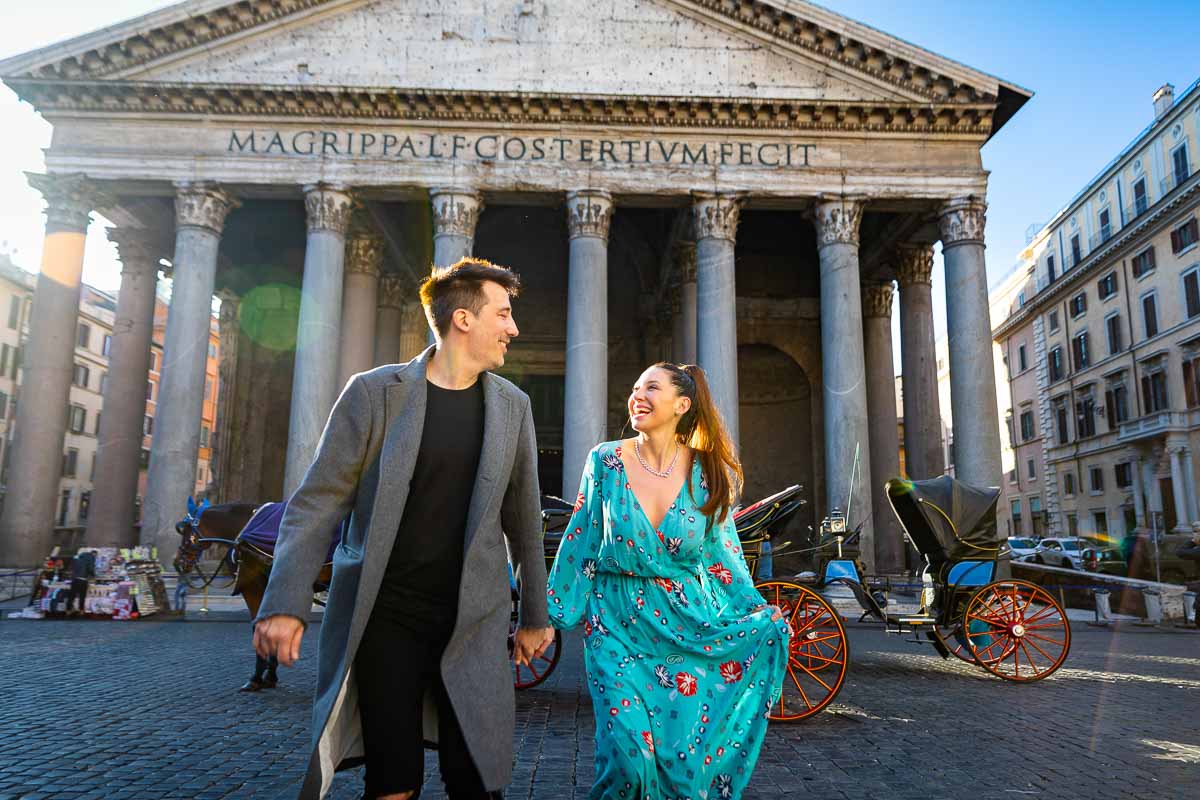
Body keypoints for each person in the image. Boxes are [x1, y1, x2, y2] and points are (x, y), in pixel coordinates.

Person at [253, 258, 554, 800]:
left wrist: (535, 616)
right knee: (392, 779)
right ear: (464, 319)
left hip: (474, 617)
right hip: (384, 615)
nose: (513, 328)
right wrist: (284, 602)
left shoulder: (514, 406)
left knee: (478, 777)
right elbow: (317, 502)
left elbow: (523, 522)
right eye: (504, 315)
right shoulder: (373, 393)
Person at [547, 362, 790, 799]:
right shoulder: (605, 460)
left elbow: (724, 558)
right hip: (614, 624)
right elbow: (580, 537)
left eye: (651, 387)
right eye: (635, 386)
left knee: (679, 763)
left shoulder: (707, 473)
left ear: (682, 404)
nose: (637, 395)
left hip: (685, 626)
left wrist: (756, 611)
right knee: (627, 757)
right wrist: (547, 615)